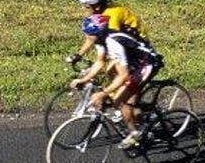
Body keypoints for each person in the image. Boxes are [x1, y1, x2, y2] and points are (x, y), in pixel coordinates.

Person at [69, 11, 163, 149]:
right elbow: (100, 62)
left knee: (122, 101)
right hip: (133, 62)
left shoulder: (113, 43)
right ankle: (137, 119)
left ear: (97, 33)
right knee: (118, 100)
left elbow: (123, 76)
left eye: (88, 33)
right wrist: (83, 80)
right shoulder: (101, 40)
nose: (86, 37)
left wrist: (103, 93)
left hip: (146, 65)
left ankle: (135, 132)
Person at [64, 0, 149, 66]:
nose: (84, 9)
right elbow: (92, 37)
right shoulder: (104, 11)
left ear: (96, 6)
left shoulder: (112, 14)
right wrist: (79, 55)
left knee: (108, 63)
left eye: (87, 7)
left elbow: (114, 39)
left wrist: (102, 59)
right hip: (125, 35)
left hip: (137, 41)